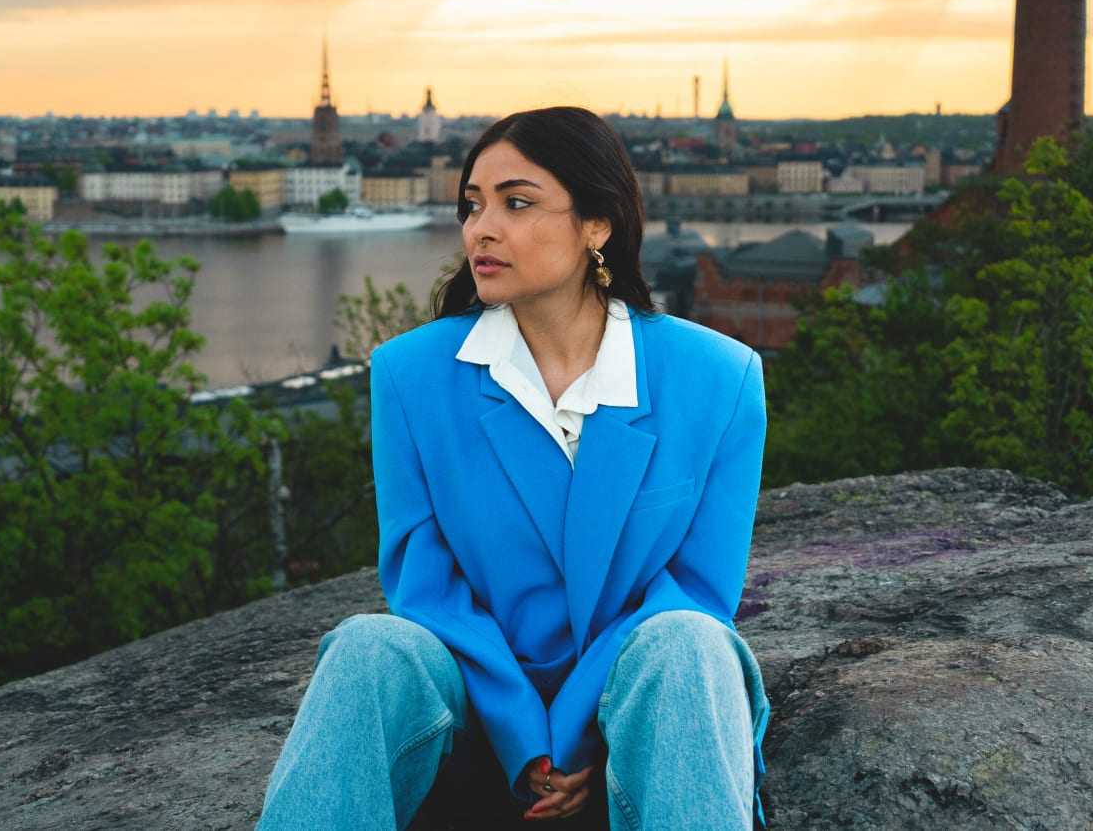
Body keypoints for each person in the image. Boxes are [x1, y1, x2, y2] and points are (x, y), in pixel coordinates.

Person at [256, 106, 770, 830]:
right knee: (369, 647)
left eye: (516, 203)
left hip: (638, 709)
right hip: (473, 708)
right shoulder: (411, 375)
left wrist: (576, 742)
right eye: (472, 206)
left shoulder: (718, 378)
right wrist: (525, 742)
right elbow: (426, 589)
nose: (481, 229)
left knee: (690, 642)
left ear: (597, 224)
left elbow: (693, 590)